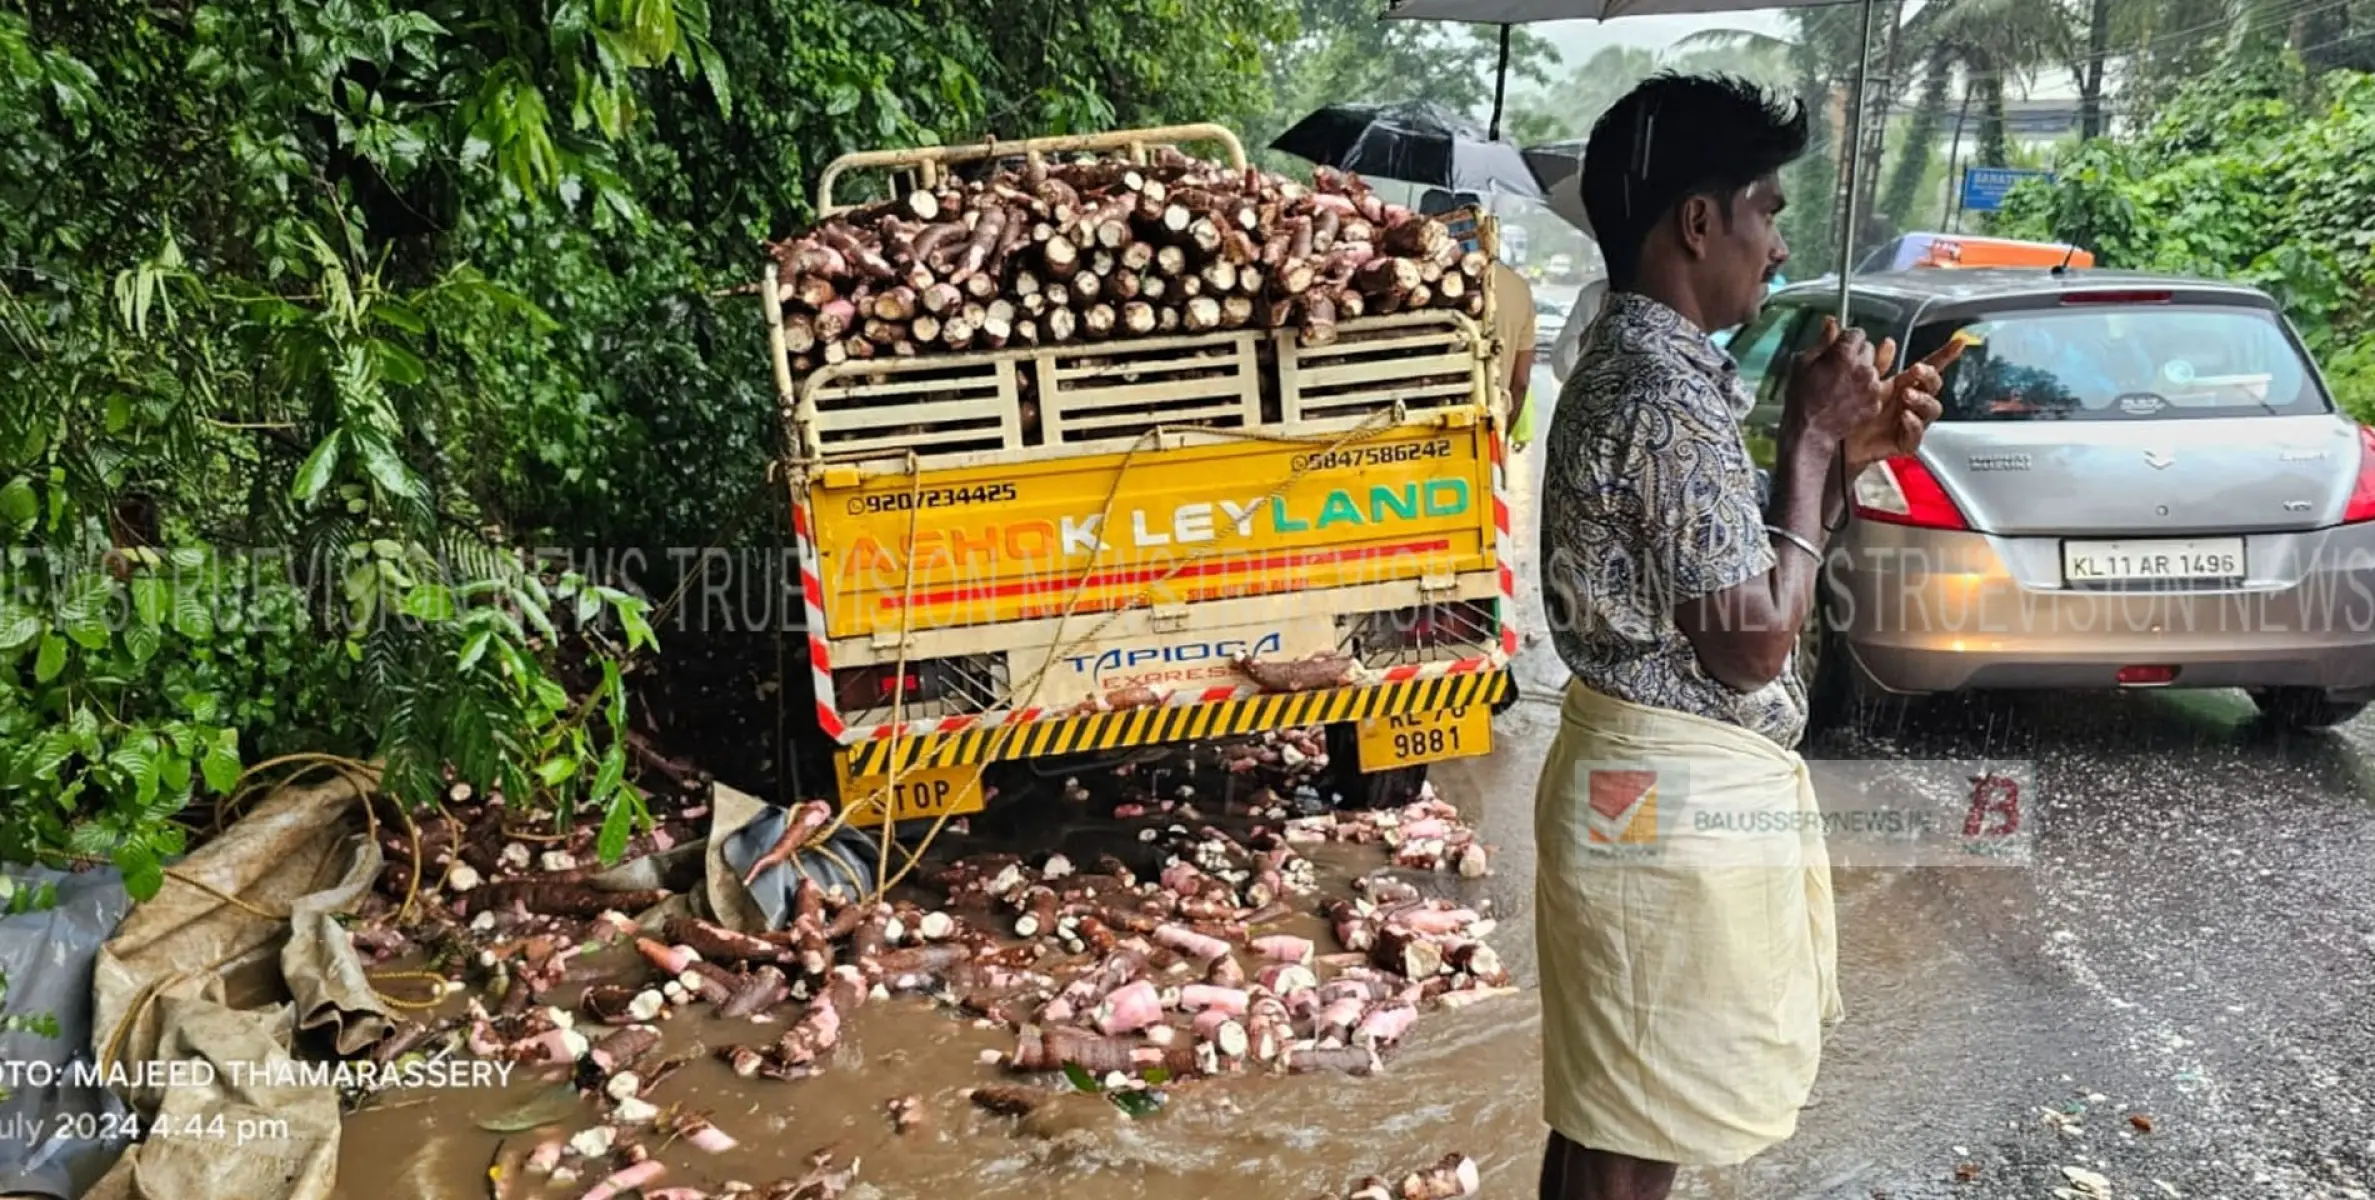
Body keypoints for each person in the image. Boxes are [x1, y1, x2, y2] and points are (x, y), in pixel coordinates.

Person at [1532, 73, 1955, 1200]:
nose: (1776, 246)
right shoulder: (1660, 394)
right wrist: (1808, 446)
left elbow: (1744, 575)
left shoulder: (1644, 372)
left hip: (1641, 793)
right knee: (1630, 1126)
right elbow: (1750, 641)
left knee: (1612, 1114)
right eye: (1765, 210)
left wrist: (1840, 455)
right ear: (1696, 220)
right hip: (1658, 807)